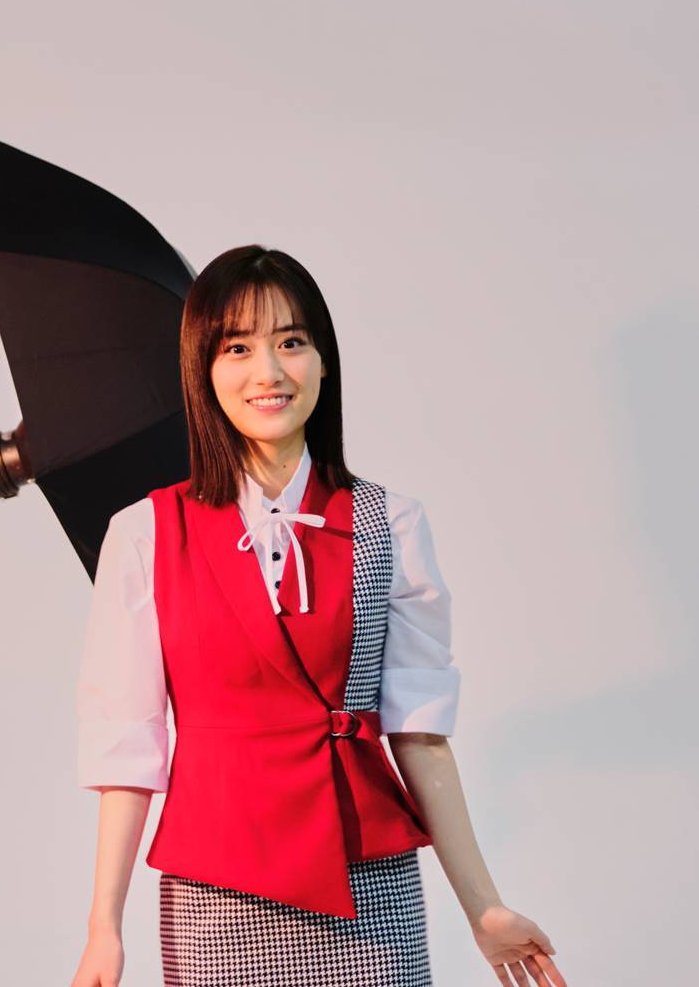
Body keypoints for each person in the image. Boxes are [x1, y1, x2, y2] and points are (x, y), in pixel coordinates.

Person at [70, 245, 567, 987]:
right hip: (215, 894)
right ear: (203, 370)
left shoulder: (389, 522)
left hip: (367, 881)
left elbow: (420, 733)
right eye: (238, 348)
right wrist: (103, 930)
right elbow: (127, 746)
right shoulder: (146, 533)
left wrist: (483, 907)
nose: (269, 372)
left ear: (324, 361)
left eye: (292, 341)